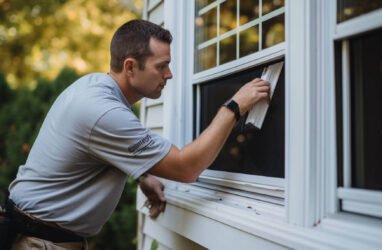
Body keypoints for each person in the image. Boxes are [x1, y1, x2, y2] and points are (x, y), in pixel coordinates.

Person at [5, 19, 270, 250]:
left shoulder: (94, 88)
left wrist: (141, 172)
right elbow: (186, 168)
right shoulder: (103, 111)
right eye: (161, 66)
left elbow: (95, 149)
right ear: (130, 67)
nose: (170, 74)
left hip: (40, 236)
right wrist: (234, 107)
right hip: (40, 244)